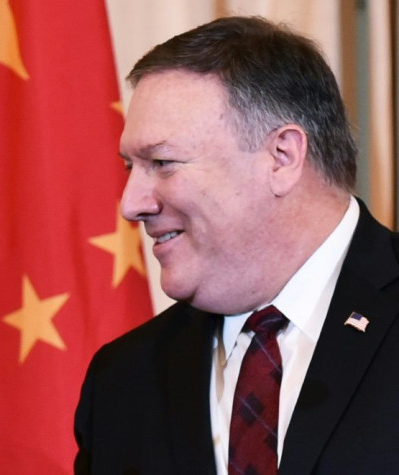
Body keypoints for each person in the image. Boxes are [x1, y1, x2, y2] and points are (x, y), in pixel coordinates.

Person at [75, 16, 399, 474]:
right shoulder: (123, 381)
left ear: (282, 157)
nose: (131, 204)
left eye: (163, 162)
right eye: (132, 167)